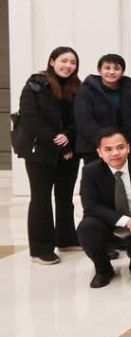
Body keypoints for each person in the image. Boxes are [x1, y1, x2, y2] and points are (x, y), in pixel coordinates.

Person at [14, 46, 81, 264]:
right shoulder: (35, 85)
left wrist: (68, 135)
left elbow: (78, 118)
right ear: (52, 62)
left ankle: (66, 239)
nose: (68, 65)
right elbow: (30, 119)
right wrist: (57, 142)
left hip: (67, 151)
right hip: (40, 152)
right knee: (41, 199)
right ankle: (40, 249)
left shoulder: (76, 88)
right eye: (63, 60)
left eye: (72, 62)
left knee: (65, 197)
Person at [76, 128, 131, 288]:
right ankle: (103, 269)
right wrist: (128, 222)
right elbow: (91, 206)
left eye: (120, 147)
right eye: (108, 149)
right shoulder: (90, 171)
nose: (115, 153)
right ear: (99, 152)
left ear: (128, 148)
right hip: (110, 223)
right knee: (86, 228)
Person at [74, 53, 131, 161]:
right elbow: (84, 120)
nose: (111, 72)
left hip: (121, 147)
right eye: (107, 68)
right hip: (93, 147)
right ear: (99, 70)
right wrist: (104, 142)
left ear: (122, 72)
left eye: (116, 69)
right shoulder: (86, 90)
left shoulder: (129, 90)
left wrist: (121, 142)